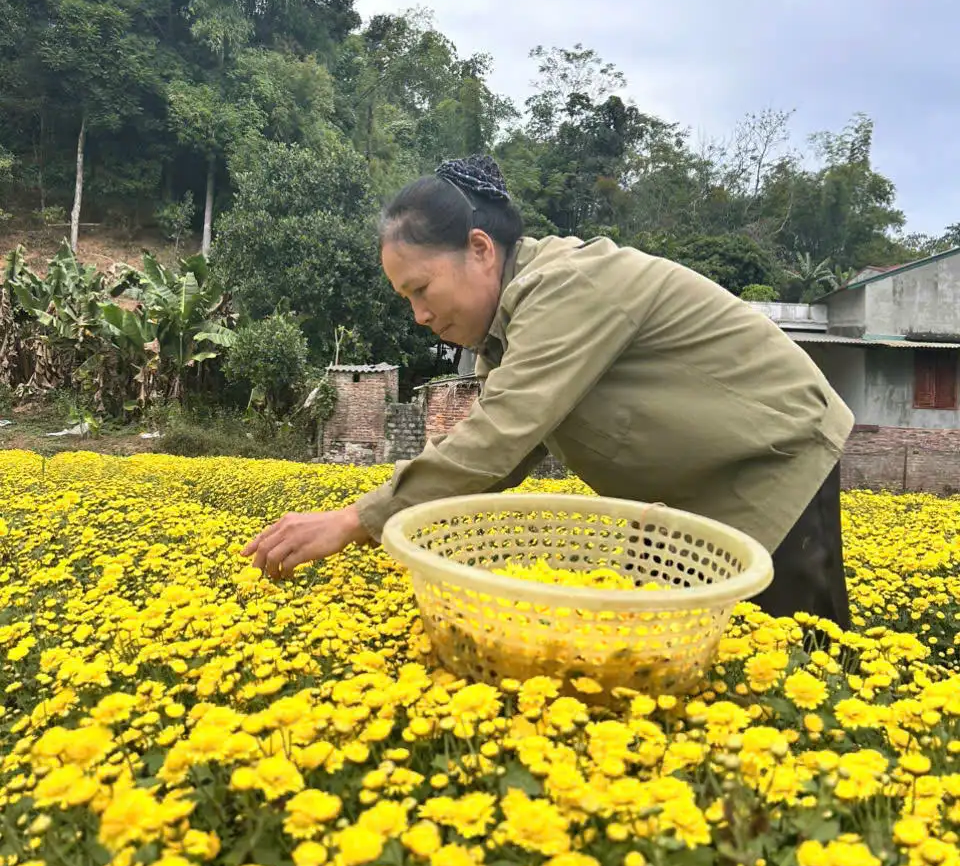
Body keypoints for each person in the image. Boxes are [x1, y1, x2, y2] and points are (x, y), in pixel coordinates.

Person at [243, 155, 855, 629]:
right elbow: (501, 461)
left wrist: (356, 519)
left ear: (480, 250)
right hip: (680, 501)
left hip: (774, 457)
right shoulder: (504, 337)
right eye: (407, 299)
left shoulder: (566, 286)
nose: (419, 316)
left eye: (422, 290)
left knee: (791, 661)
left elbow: (498, 437)